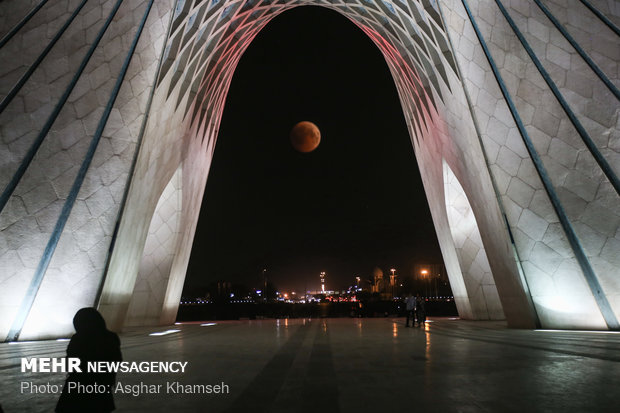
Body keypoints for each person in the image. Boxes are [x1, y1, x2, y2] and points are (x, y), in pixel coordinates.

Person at [56, 308, 122, 412]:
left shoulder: (78, 338)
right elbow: (117, 360)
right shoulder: (111, 337)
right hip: (101, 387)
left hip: (77, 388)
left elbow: (70, 364)